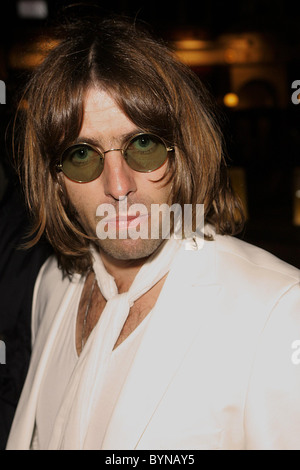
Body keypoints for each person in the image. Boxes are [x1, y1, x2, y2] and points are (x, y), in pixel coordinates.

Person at [6, 15, 300, 450]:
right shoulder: (52, 286)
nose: (119, 186)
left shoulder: (277, 311)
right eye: (82, 154)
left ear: (184, 152)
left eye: (142, 145)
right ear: (55, 180)